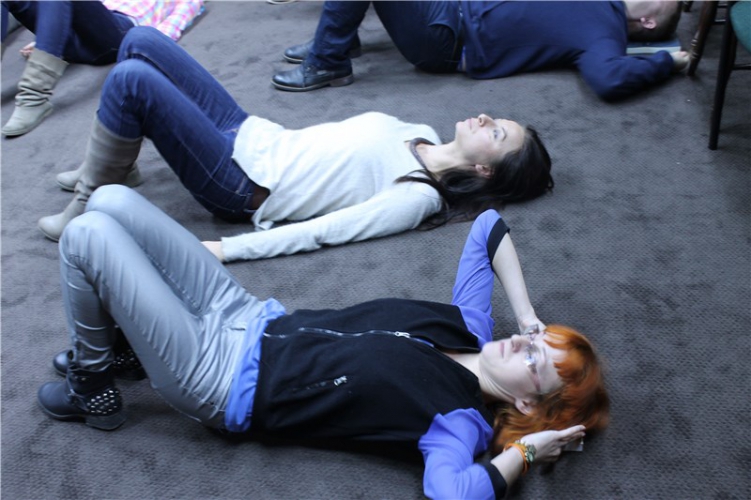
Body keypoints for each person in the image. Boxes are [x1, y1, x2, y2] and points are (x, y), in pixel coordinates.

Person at [37, 185, 610, 498]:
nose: (522, 345)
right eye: (535, 342)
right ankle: (124, 349)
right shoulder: (470, 324)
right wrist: (529, 315)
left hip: (222, 377)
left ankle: (93, 384)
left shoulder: (457, 423)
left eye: (534, 363)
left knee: (86, 235)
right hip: (245, 313)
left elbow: (452, 494)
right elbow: (487, 227)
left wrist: (526, 451)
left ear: (526, 403)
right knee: (111, 200)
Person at [38, 27, 554, 263]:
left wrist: (225, 249)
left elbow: (325, 232)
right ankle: (114, 162)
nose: (485, 118)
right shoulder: (416, 128)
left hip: (242, 183)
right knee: (142, 41)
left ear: (487, 171)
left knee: (131, 79)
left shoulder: (417, 195)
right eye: (495, 120)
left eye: (496, 132)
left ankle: (88, 197)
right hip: (250, 134)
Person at [272, 0, 689, 101]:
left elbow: (609, 80)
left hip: (446, 38)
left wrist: (664, 62)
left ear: (650, 21)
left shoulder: (604, 35)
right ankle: (340, 38)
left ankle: (328, 61)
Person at [1, 0, 203, 137]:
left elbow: (172, 27)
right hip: (73, 36)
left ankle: (33, 96)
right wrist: (46, 40)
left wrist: (140, 48)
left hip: (115, 35)